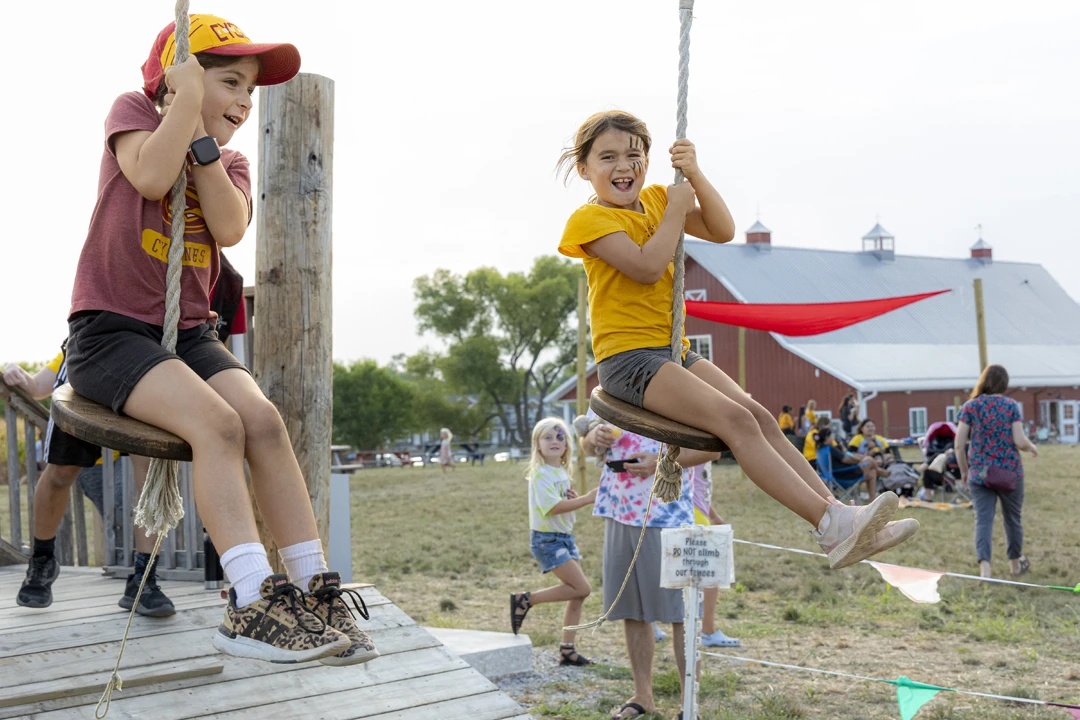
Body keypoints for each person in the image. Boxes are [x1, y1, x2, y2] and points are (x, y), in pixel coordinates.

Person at [60, 15, 373, 665]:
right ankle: (251, 599)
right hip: (113, 331)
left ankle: (311, 586)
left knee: (261, 419)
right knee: (219, 425)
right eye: (229, 82)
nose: (243, 101)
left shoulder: (227, 160)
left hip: (187, 334)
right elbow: (148, 176)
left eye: (250, 92)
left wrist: (205, 139)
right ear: (178, 77)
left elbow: (229, 228)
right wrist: (183, 107)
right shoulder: (136, 113)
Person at [556, 110, 916, 577]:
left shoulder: (658, 200)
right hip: (629, 361)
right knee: (735, 421)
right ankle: (828, 524)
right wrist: (674, 210)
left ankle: (841, 517)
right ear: (584, 168)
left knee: (759, 415)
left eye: (634, 155)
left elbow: (723, 230)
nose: (623, 166)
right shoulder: (589, 219)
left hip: (673, 351)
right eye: (608, 157)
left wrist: (695, 177)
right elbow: (646, 266)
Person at [4, 353, 174, 616]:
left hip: (142, 354)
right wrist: (15, 370)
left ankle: (144, 578)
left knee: (149, 475)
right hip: (90, 358)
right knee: (61, 471)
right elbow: (38, 387)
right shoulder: (75, 342)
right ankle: (42, 560)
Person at [510, 418, 598, 666]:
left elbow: (562, 502)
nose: (555, 441)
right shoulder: (540, 473)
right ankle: (526, 600)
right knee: (582, 588)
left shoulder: (560, 471)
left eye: (560, 437)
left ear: (568, 445)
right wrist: (587, 499)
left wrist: (574, 497)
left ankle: (567, 649)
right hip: (547, 540)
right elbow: (553, 508)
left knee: (577, 595)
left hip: (565, 538)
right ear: (537, 444)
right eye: (547, 437)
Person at [955, 364, 1037, 579]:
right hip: (1010, 472)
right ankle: (1014, 566)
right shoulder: (1010, 406)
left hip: (980, 473)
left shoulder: (970, 407)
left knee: (983, 520)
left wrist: (965, 471)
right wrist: (1032, 447)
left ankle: (985, 570)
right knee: (1012, 519)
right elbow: (1020, 441)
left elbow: (958, 444)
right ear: (1005, 383)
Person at [691, 461, 740, 648]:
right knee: (711, 573)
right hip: (692, 511)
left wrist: (714, 515)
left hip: (698, 509)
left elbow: (699, 486)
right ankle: (707, 630)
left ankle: (651, 623)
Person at [815, 427, 880, 502]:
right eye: (831, 436)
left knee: (872, 473)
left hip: (834, 477)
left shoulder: (820, 450)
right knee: (869, 459)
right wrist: (859, 460)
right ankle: (880, 472)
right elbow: (846, 460)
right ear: (827, 437)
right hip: (843, 477)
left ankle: (873, 500)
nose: (832, 438)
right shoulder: (831, 449)